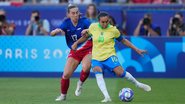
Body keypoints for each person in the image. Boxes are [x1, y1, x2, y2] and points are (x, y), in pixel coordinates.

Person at [72, 12, 151, 103]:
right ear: (99, 21)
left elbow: (124, 41)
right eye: (103, 22)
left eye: (107, 22)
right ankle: (107, 97)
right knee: (97, 71)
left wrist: (136, 49)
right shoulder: (93, 27)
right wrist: (76, 43)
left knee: (120, 73)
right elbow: (86, 37)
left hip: (110, 55)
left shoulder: (113, 30)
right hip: (96, 57)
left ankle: (138, 84)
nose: (105, 24)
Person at [50, 5, 92, 101]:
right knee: (66, 74)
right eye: (73, 13)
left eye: (77, 12)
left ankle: (80, 83)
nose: (75, 15)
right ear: (68, 14)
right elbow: (55, 32)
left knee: (86, 67)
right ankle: (63, 95)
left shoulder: (85, 21)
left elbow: (91, 32)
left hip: (88, 48)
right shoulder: (66, 23)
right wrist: (55, 31)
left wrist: (88, 31)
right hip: (75, 51)